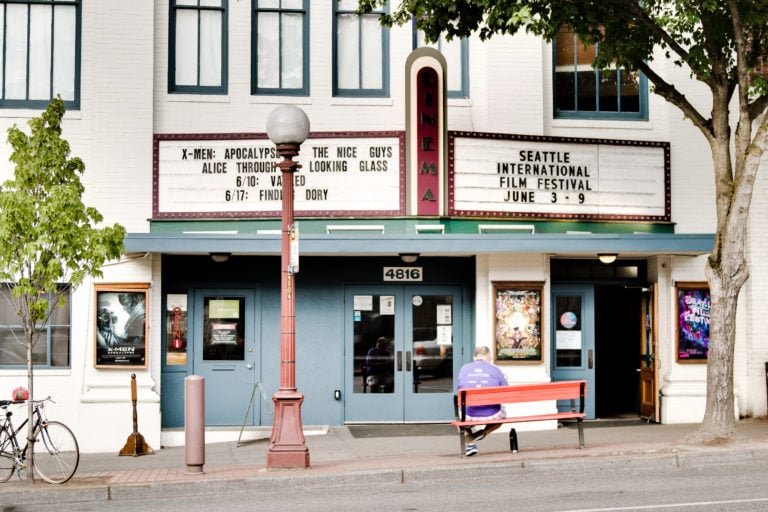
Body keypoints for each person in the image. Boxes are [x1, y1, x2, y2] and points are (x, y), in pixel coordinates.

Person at [456, 345, 509, 456]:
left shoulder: (464, 368)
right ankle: (484, 432)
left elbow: (458, 390)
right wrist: (505, 379)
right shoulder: (495, 370)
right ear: (488, 358)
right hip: (492, 414)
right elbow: (506, 393)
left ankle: (471, 444)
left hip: (468, 415)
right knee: (502, 416)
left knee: (459, 419)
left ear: (474, 358)